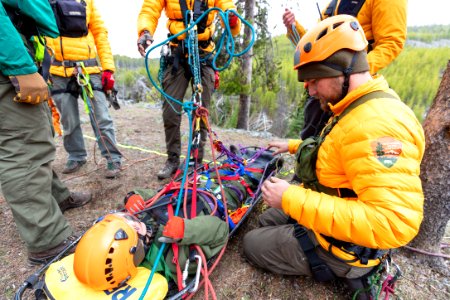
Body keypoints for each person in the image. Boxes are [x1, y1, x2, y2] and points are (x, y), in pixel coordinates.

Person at [243, 15, 424, 299]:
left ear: (342, 71)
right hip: (333, 206)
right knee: (266, 220)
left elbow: (392, 222)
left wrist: (291, 198)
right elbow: (338, 149)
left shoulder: (378, 127)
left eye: (314, 80)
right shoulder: (357, 105)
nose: (310, 90)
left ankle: (345, 270)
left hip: (344, 246)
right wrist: (292, 146)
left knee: (252, 243)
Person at [0, 0, 92, 266]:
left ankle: (57, 198)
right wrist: (18, 64)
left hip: (14, 44)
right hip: (8, 53)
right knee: (24, 144)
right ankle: (47, 240)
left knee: (34, 136)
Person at [137, 0, 241, 180]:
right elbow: (150, 9)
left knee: (200, 112)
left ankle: (195, 161)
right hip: (176, 53)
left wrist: (232, 19)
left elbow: (227, 7)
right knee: (170, 111)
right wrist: (145, 32)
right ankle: (172, 159)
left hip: (204, 54)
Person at [283, 0, 407, 139]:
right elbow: (316, 43)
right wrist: (294, 28)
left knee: (348, 138)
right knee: (311, 138)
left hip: (351, 88)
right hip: (326, 82)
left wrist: (356, 70)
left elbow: (391, 43)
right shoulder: (336, 3)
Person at [46, 0, 122, 179]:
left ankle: (113, 157)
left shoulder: (88, 2)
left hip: (90, 70)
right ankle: (77, 156)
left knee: (101, 116)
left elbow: (100, 33)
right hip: (58, 71)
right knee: (68, 119)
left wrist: (108, 69)